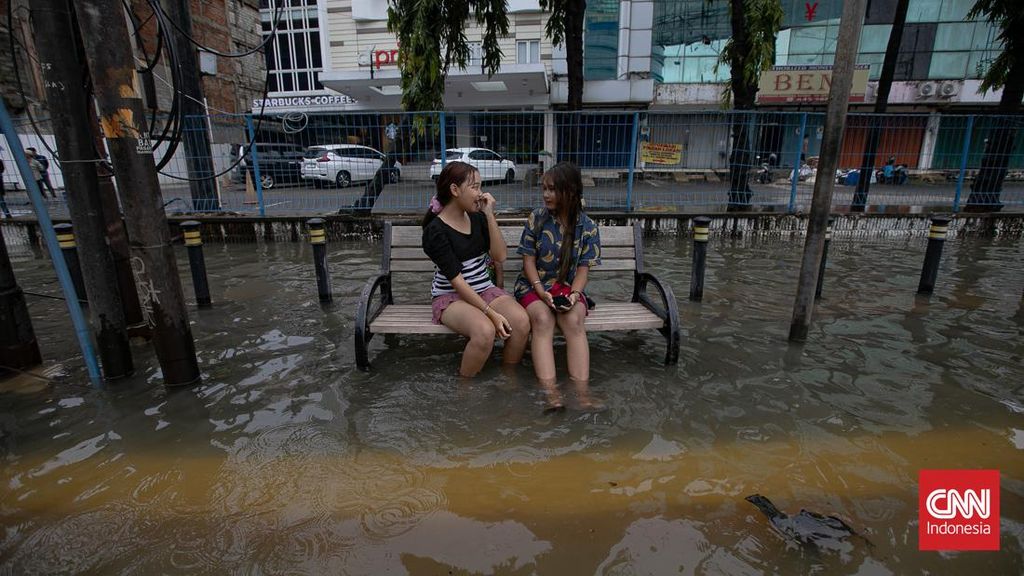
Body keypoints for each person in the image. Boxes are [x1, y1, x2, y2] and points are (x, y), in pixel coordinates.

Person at [422, 161, 530, 377]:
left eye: (480, 186)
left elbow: (500, 256)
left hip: (484, 290)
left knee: (521, 322)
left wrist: (489, 214)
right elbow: (457, 282)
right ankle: (466, 393)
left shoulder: (478, 217)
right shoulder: (435, 231)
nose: (481, 193)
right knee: (485, 331)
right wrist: (491, 313)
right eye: (475, 187)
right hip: (451, 297)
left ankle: (508, 379)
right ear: (454, 190)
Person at [514, 162, 601, 411]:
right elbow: (528, 261)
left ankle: (582, 394)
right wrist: (540, 290)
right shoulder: (536, 219)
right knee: (542, 319)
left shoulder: (588, 227)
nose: (546, 195)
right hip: (532, 287)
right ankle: (551, 395)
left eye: (552, 189)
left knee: (573, 321)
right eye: (544, 189)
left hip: (567, 289)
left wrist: (574, 295)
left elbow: (583, 269)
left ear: (570, 191)